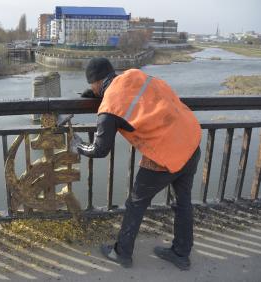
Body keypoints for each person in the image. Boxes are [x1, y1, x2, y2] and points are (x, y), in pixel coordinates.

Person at [76, 57, 202, 270]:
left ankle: (122, 253)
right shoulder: (135, 74)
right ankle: (181, 254)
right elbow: (135, 97)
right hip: (190, 139)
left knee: (136, 203)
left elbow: (100, 150)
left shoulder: (109, 107)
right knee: (183, 202)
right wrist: (101, 96)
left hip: (165, 152)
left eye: (92, 86)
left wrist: (77, 145)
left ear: (95, 83)